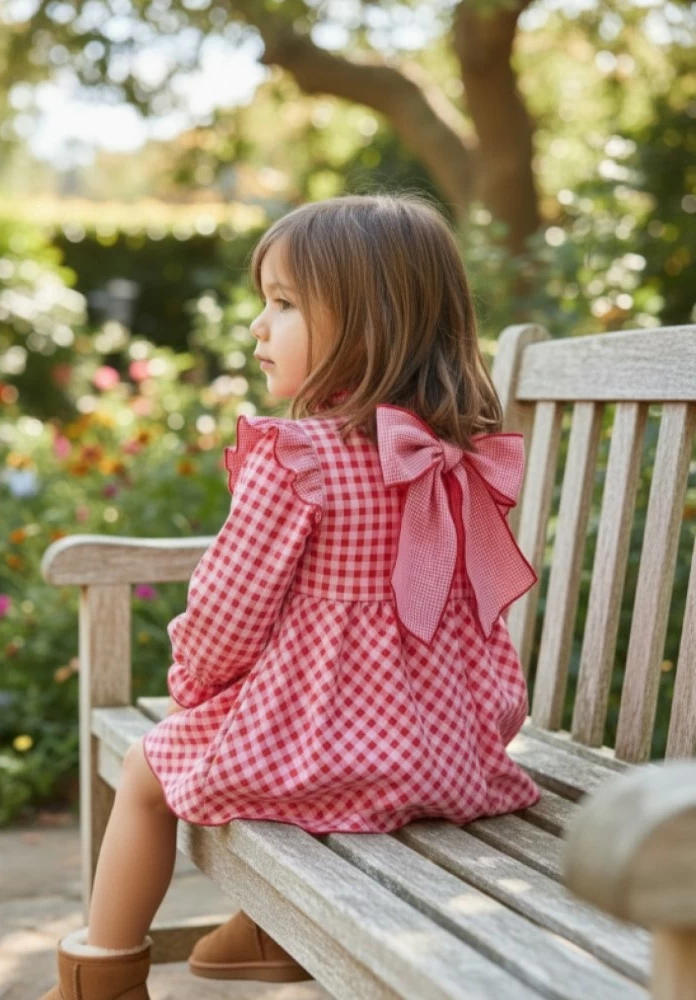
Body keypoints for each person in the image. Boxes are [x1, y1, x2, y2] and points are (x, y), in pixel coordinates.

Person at [41, 192, 541, 999]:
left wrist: (195, 687)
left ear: (368, 323)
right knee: (284, 743)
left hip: (322, 749)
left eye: (282, 304)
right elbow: (476, 615)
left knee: (146, 768)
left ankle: (99, 974)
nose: (257, 327)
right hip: (444, 753)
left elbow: (226, 613)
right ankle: (264, 934)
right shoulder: (458, 454)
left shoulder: (299, 458)